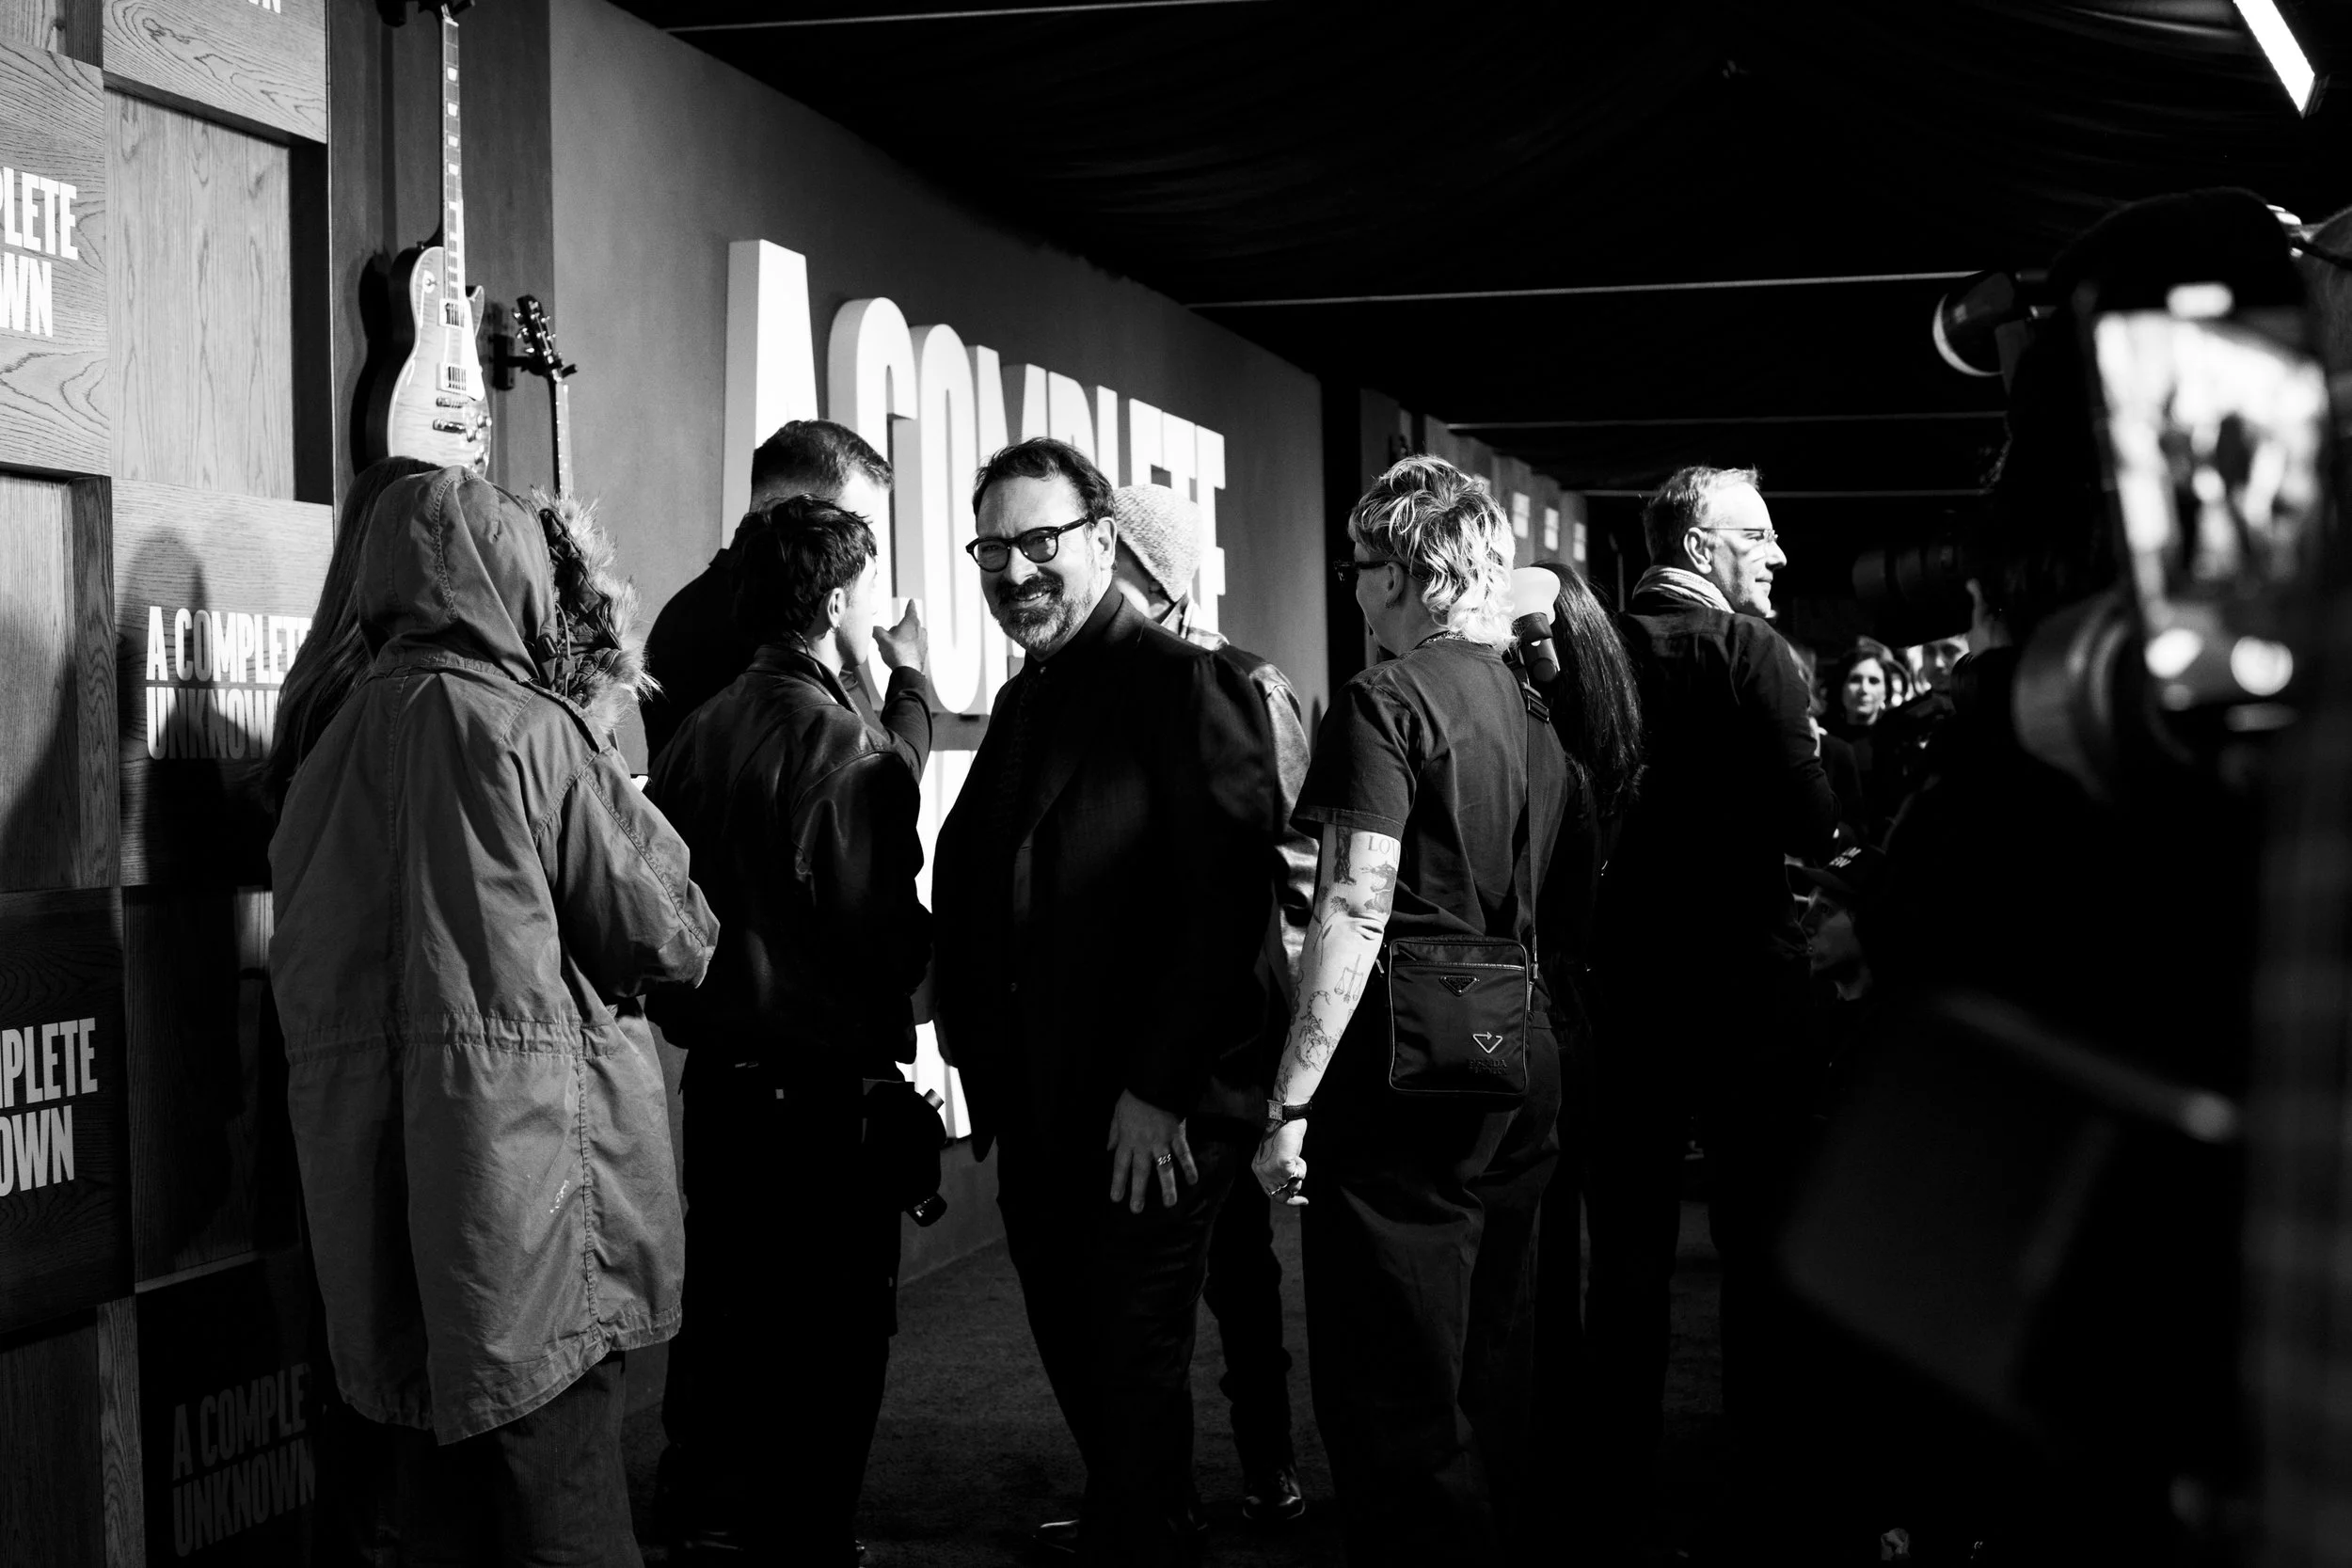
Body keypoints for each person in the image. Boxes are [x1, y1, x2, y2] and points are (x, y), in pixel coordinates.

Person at [268, 467, 718, 1566]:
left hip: (380, 1205)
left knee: (438, 1511)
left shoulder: (324, 745)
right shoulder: (533, 731)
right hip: (532, 1199)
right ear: (515, 579)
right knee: (562, 1501)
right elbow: (672, 933)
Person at [930, 438, 1279, 1565]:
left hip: (1148, 1117)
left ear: (1102, 541)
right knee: (1087, 1361)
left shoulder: (1185, 684)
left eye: (1040, 541)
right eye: (993, 548)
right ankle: (1154, 1514)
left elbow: (1226, 910)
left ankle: (1148, 1527)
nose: (1015, 570)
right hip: (1040, 1111)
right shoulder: (1025, 694)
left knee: (1126, 1369)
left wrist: (1157, 1091)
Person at [1251, 454, 1572, 1567]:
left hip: (1411, 1055)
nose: (1351, 587)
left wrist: (1289, 1102)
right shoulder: (1531, 705)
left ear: (1398, 573)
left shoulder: (1383, 699)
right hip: (1520, 1039)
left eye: (1358, 567)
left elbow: (1352, 903)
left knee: (1392, 1374)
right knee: (1495, 1352)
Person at [644, 495, 933, 1567]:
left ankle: (711, 1521)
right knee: (834, 1339)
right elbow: (885, 940)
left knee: (727, 1318)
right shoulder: (848, 748)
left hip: (719, 1084)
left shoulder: (695, 734)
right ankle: (808, 1539)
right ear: (842, 598)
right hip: (822, 1102)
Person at [1581, 464, 1840, 1560]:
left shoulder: (1589, 648)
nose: (1776, 552)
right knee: (1759, 1240)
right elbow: (1816, 823)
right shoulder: (1750, 653)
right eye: (1757, 534)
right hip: (1746, 987)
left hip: (1624, 984)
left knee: (1626, 1248)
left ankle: (1607, 1492)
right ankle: (1761, 1491)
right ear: (1698, 545)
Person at [1105, 482, 1314, 1528]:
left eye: (1114, 566)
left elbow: (1290, 872)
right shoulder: (1101, 682)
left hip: (1229, 1036)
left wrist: (1281, 1066)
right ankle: (1159, 1489)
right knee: (1147, 1285)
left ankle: (1265, 1461)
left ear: (1156, 577)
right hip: (1142, 1033)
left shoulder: (1242, 683)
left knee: (1233, 1264)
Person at [1516, 559, 1645, 1525]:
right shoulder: (1570, 738)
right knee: (1559, 1250)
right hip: (1576, 1014)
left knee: (1574, 1250)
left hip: (1581, 1014)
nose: (1518, 648)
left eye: (1533, 633)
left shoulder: (1584, 751)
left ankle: (1570, 1457)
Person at [641, 419, 930, 769]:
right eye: (854, 523)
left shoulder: (681, 612)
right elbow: (887, 771)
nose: (863, 544)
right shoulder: (797, 624)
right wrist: (908, 671)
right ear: (796, 510)